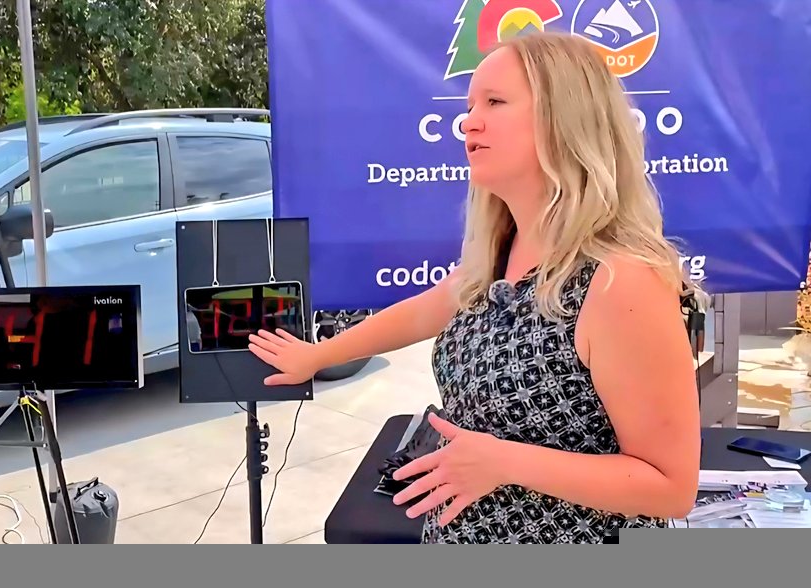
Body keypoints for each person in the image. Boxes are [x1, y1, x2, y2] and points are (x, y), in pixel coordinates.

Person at [248, 31, 701, 543]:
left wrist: (503, 461)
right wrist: (318, 355)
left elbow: (671, 485)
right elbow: (423, 313)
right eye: (469, 105)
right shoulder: (502, 256)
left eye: (495, 101)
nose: (469, 121)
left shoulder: (621, 281)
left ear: (565, 118)